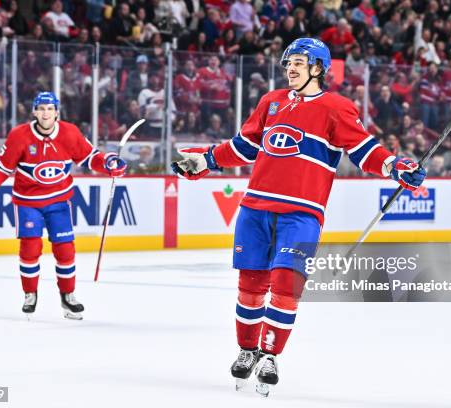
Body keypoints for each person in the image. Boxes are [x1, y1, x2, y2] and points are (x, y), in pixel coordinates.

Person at [171, 38, 426, 396]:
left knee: (286, 289)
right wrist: (206, 159)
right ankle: (247, 350)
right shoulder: (270, 101)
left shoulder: (337, 108)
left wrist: (394, 165)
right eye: (288, 62)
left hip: (301, 214)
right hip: (256, 208)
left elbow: (364, 149)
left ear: (319, 68)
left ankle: (270, 354)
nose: (290, 68)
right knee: (250, 288)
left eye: (299, 63)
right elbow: (245, 145)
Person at [0, 92, 127, 320]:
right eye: (41, 108)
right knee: (31, 247)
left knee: (65, 250)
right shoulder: (19, 136)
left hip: (59, 201)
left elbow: (90, 157)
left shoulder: (70, 133)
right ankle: (30, 294)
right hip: (28, 202)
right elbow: (1, 167)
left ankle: (68, 297)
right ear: (34, 111)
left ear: (56, 112)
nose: (45, 113)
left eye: (50, 109)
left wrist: (109, 162)